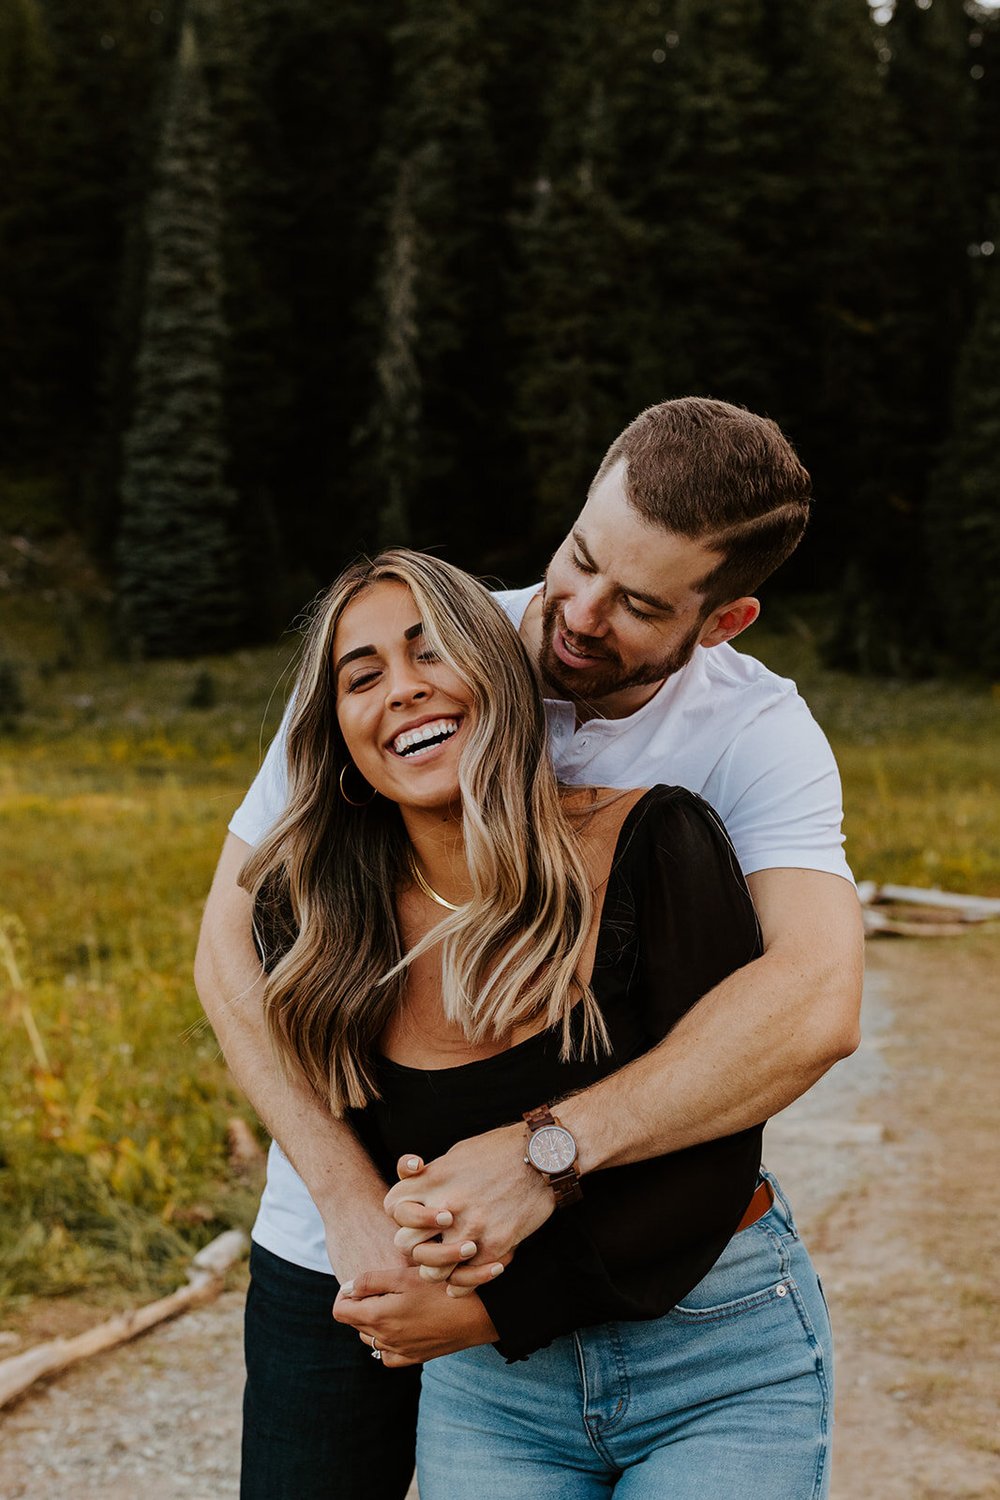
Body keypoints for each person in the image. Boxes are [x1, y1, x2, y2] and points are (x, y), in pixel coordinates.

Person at [194, 398, 863, 1497]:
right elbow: (229, 945)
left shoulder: (751, 738)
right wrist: (349, 1202)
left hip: (588, 1263)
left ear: (724, 620)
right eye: (580, 558)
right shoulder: (418, 653)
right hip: (339, 1238)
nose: (577, 613)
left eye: (638, 602)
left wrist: (543, 1153)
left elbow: (814, 1000)